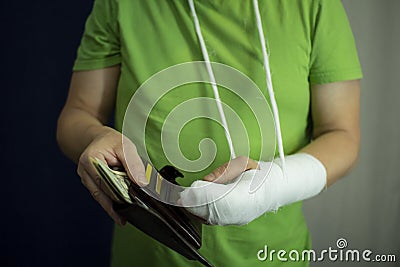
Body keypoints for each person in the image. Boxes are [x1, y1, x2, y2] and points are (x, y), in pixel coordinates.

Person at [57, 0, 362, 266]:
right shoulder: (120, 4)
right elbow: (78, 113)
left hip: (271, 255)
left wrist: (272, 186)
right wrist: (92, 138)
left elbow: (342, 134)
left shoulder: (313, 5)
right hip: (150, 257)